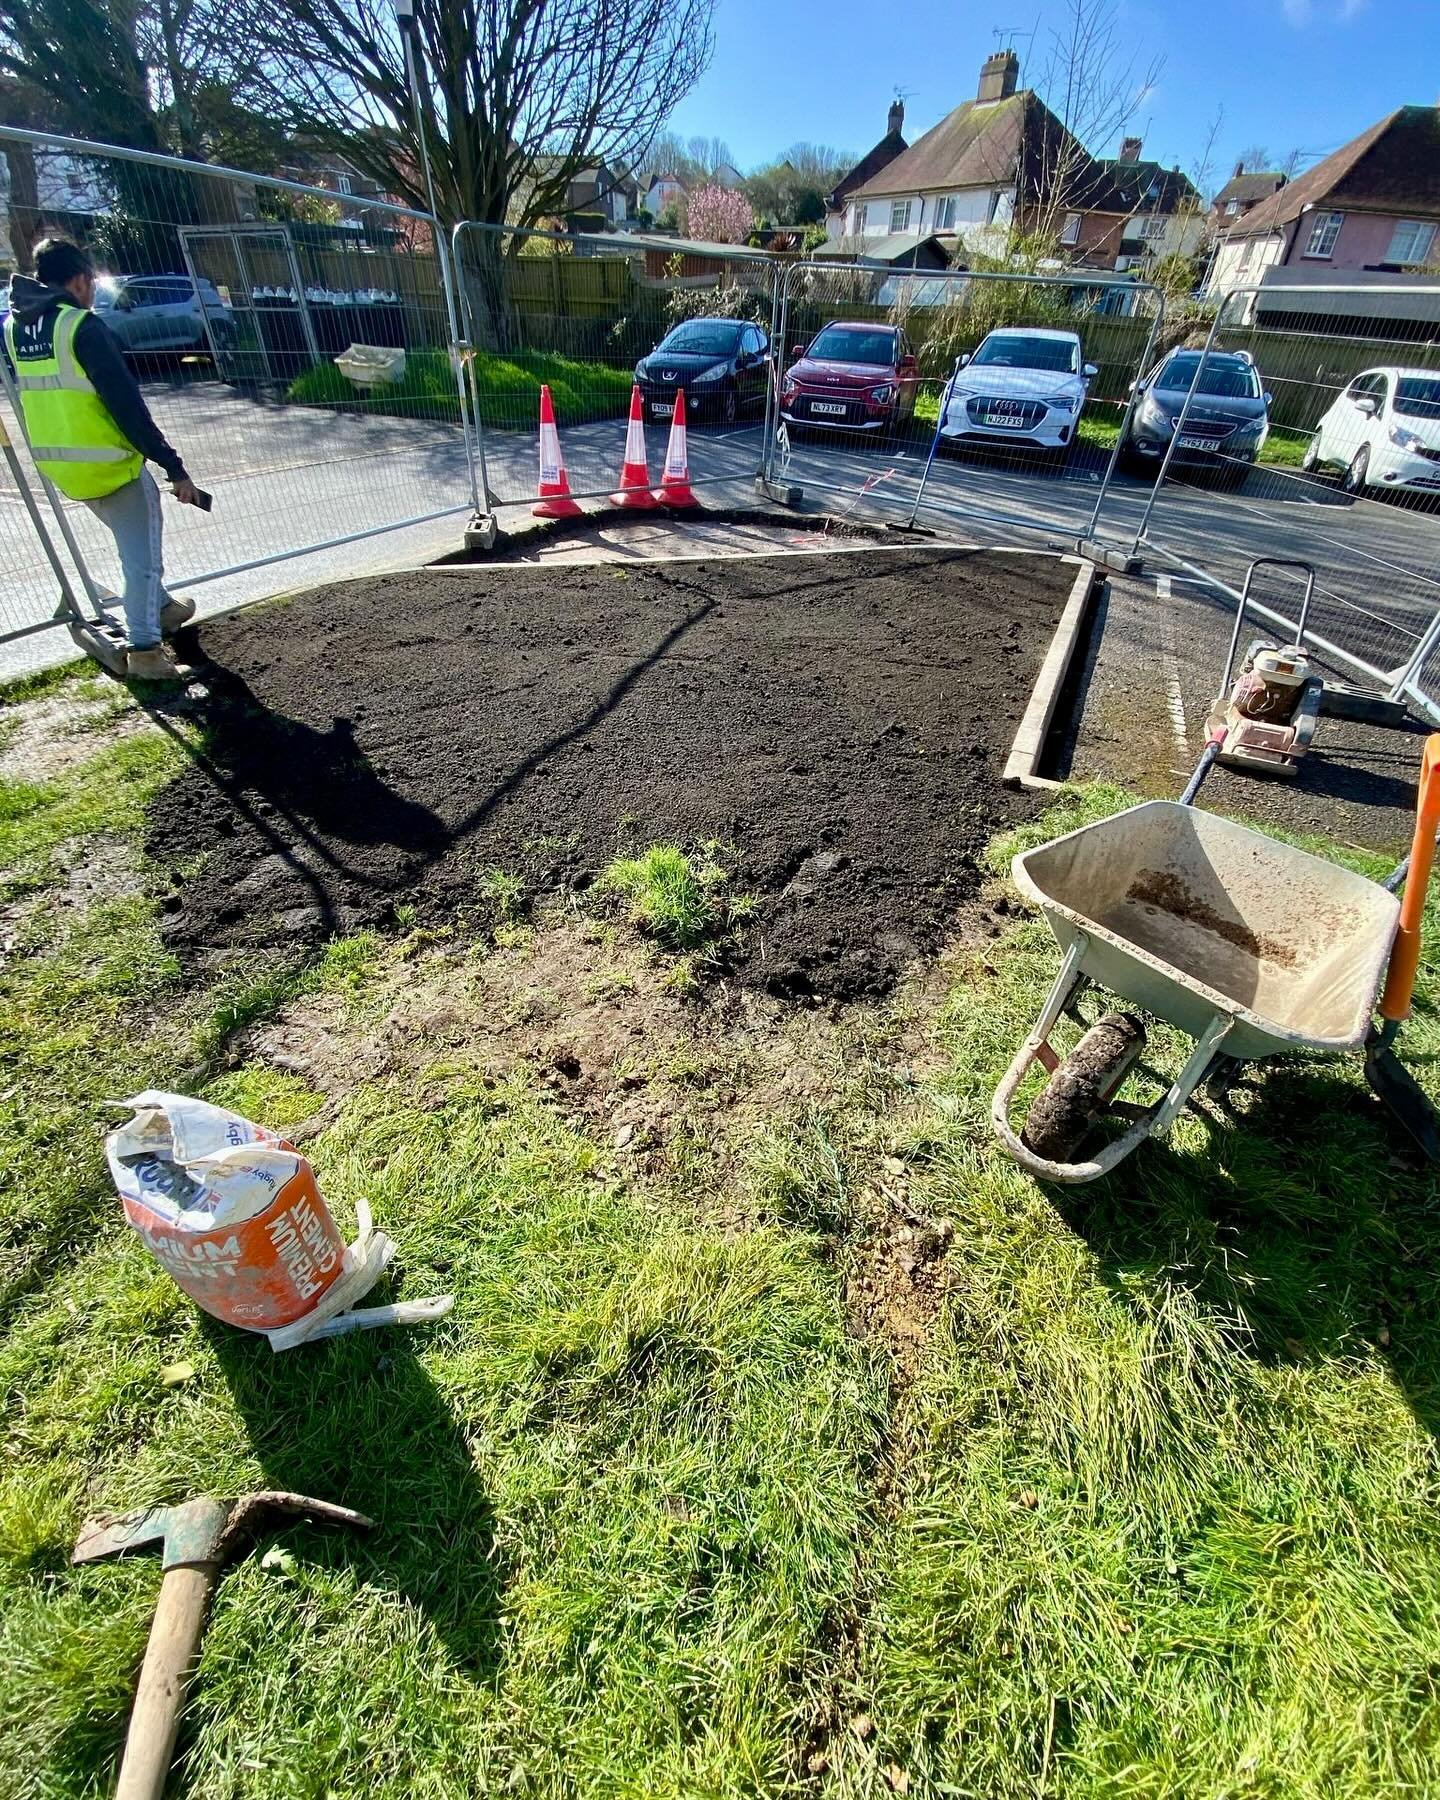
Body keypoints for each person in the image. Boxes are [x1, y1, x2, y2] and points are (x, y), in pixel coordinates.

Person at [4, 237, 204, 680]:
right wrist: (173, 467)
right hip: (112, 466)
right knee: (142, 559)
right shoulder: (81, 327)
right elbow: (127, 407)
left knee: (133, 546)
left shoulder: (15, 329)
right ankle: (147, 651)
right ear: (78, 280)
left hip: (64, 468)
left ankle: (163, 608)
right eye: (91, 282)